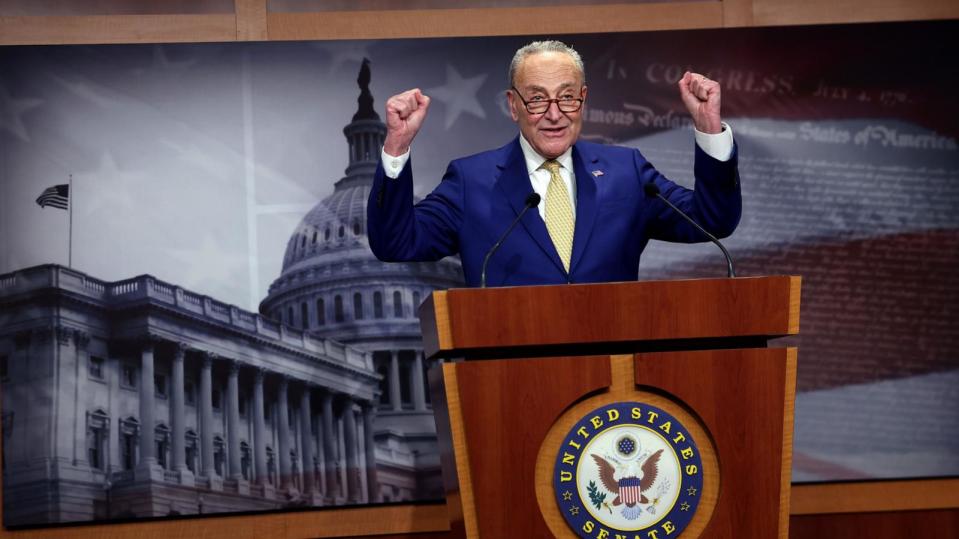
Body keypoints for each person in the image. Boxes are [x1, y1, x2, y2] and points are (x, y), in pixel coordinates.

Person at [367, 40, 741, 287]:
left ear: (584, 99)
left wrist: (709, 128)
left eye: (566, 98)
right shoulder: (471, 180)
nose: (554, 114)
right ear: (513, 105)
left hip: (616, 384)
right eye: (537, 99)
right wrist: (397, 145)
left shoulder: (626, 172)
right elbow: (395, 243)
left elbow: (713, 220)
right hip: (513, 382)